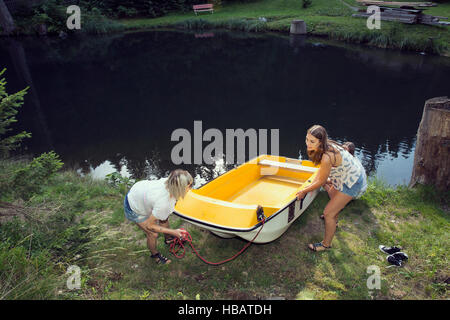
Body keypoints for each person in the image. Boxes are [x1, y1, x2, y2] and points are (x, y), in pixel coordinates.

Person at [296, 125, 367, 252]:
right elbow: (320, 173)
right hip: (346, 175)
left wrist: (304, 191)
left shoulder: (326, 157)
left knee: (328, 213)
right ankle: (334, 221)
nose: (308, 143)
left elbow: (322, 181)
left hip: (352, 181)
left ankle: (326, 245)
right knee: (334, 200)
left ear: (320, 141)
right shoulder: (327, 145)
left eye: (312, 141)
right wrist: (311, 183)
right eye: (307, 139)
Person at [124, 169, 193, 264]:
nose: (190, 189)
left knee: (164, 219)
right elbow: (150, 225)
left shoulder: (170, 181)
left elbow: (163, 215)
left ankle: (168, 239)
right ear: (179, 188)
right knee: (153, 234)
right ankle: (155, 255)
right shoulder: (164, 203)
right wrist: (174, 232)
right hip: (133, 205)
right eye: (189, 186)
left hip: (139, 191)